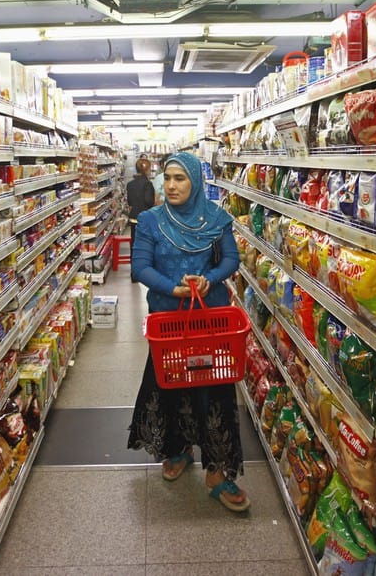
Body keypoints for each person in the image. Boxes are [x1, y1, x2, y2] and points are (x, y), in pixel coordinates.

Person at [127, 152, 249, 512]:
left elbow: (231, 259)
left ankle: (217, 471)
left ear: (195, 181)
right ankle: (177, 449)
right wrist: (173, 288)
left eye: (180, 178)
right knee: (171, 384)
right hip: (169, 321)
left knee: (213, 389)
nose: (171, 186)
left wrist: (208, 279)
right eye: (167, 178)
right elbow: (140, 266)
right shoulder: (150, 220)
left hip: (210, 322)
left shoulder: (216, 218)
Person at [125, 157, 155, 247]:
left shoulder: (130, 184)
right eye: (149, 168)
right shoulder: (148, 184)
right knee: (145, 242)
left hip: (133, 217)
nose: (150, 171)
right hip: (145, 217)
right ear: (146, 170)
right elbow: (149, 201)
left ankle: (133, 255)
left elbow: (130, 202)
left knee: (134, 240)